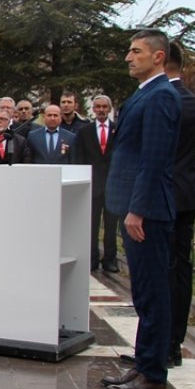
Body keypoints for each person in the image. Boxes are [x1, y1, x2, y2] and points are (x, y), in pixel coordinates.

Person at [101, 29, 181, 389]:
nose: (128, 58)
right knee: (144, 293)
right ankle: (144, 363)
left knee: (153, 292)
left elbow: (154, 159)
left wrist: (138, 210)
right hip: (136, 206)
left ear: (158, 56)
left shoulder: (162, 95)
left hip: (146, 211)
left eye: (136, 52)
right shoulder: (144, 93)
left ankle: (153, 373)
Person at [166, 42, 195, 367]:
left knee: (168, 273)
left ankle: (166, 344)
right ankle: (170, 342)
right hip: (185, 194)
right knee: (178, 271)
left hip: (166, 198)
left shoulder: (166, 100)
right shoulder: (191, 100)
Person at [74, 94, 119, 272]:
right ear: (93, 109)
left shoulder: (118, 130)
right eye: (97, 107)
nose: (101, 110)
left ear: (109, 109)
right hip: (92, 185)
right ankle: (91, 259)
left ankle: (110, 260)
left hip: (112, 185)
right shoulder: (85, 131)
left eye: (104, 107)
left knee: (111, 226)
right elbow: (79, 157)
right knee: (91, 225)